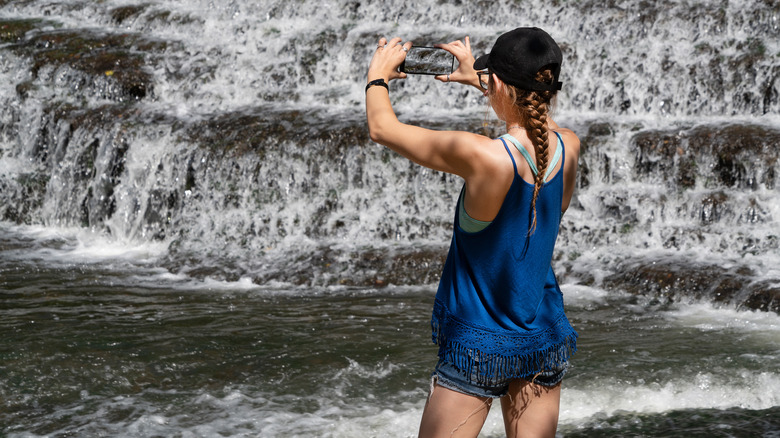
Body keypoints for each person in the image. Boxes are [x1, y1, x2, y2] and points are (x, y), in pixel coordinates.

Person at [365, 27, 580, 438]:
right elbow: (541, 127)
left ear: (498, 83)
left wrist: (378, 75)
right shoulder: (569, 146)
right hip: (542, 336)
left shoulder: (484, 156)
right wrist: (482, 81)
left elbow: (382, 128)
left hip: (478, 344)